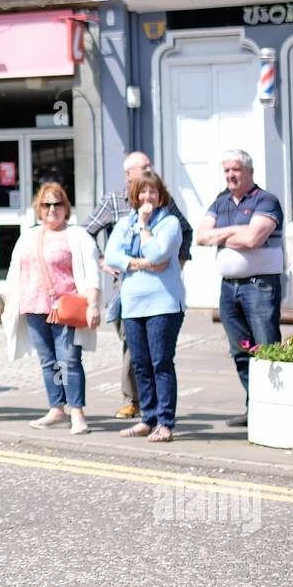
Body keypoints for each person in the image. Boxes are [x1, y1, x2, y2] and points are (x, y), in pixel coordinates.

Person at [86, 150, 193, 421]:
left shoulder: (166, 215)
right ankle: (139, 406)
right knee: (136, 355)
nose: (149, 170)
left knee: (159, 360)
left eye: (150, 167)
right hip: (128, 293)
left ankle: (161, 417)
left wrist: (175, 260)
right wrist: (109, 261)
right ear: (129, 177)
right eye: (143, 168)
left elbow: (166, 249)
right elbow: (98, 241)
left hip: (162, 299)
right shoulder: (116, 208)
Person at [2, 182, 101, 436]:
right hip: (34, 306)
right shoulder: (29, 236)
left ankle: (77, 410)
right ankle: (57, 408)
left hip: (65, 308)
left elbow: (92, 273)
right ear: (39, 207)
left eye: (57, 204)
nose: (52, 209)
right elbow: (16, 270)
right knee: (48, 361)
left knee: (68, 359)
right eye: (46, 204)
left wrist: (93, 305)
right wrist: (10, 303)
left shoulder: (77, 235)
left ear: (65, 206)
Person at [195, 149, 284, 427]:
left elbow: (254, 240)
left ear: (249, 171)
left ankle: (276, 409)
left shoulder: (265, 200)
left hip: (259, 287)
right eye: (227, 171)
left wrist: (220, 236)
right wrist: (235, 232)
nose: (231, 175)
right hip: (229, 289)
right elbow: (200, 236)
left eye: (236, 170)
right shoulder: (220, 202)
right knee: (241, 351)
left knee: (266, 349)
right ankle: (254, 406)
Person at [105, 171, 186, 442]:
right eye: (142, 192)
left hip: (163, 304)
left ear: (160, 195)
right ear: (135, 195)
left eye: (152, 192)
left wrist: (144, 226)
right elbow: (113, 255)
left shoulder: (169, 222)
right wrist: (139, 263)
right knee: (140, 364)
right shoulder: (123, 224)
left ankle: (165, 422)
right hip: (132, 304)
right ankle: (147, 418)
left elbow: (159, 254)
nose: (147, 197)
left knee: (161, 363)